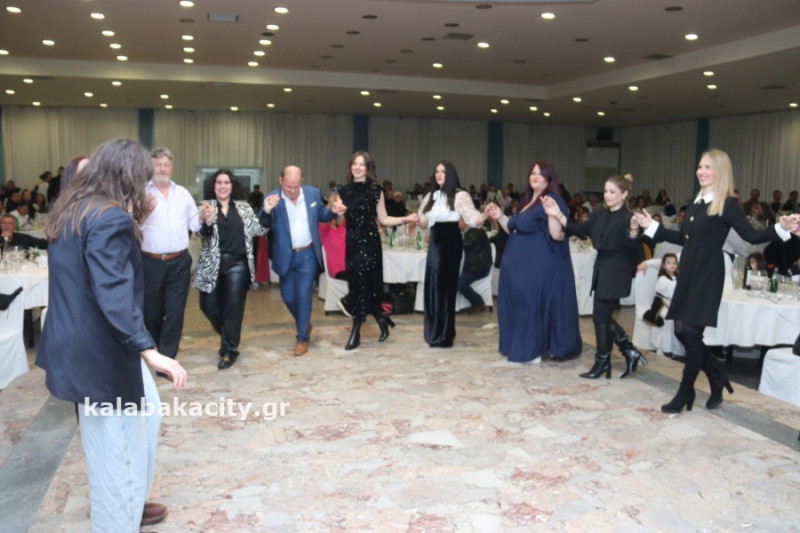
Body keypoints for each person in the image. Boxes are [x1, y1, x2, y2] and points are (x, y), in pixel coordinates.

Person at [36, 137, 187, 531]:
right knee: (118, 455)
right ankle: (120, 518)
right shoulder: (110, 218)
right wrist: (150, 350)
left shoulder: (72, 207)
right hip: (101, 352)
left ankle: (131, 504)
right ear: (128, 175)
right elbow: (114, 293)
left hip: (80, 344)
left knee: (144, 418)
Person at [635, 149, 800, 413]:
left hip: (708, 273)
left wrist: (782, 227)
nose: (701, 171)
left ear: (720, 171)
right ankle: (716, 377)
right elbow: (683, 238)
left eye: (708, 167)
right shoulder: (697, 201)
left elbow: (751, 235)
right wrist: (651, 226)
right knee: (681, 331)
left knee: (691, 332)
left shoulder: (727, 203)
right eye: (700, 166)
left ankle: (685, 392)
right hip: (689, 269)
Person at [544, 173, 647, 378]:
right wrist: (558, 214)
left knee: (600, 316)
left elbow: (634, 248)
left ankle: (605, 361)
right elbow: (579, 228)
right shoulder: (600, 215)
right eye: (606, 191)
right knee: (602, 317)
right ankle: (624, 353)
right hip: (601, 269)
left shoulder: (629, 218)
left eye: (612, 192)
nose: (607, 195)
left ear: (624, 194)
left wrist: (634, 231)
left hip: (616, 271)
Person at [487, 161, 581, 363]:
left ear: (549, 178)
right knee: (518, 305)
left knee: (530, 305)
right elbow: (513, 227)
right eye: (532, 173)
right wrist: (500, 216)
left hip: (537, 265)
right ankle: (521, 344)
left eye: (540, 173)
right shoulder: (526, 201)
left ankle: (533, 349)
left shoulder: (552, 200)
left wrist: (553, 215)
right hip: (518, 266)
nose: (535, 177)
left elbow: (556, 235)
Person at [258, 165, 343, 356]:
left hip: (307, 254)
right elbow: (261, 226)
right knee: (288, 297)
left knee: (304, 295)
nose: (292, 191)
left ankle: (302, 337)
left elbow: (322, 215)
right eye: (288, 187)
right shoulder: (271, 198)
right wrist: (267, 210)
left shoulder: (312, 194)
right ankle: (304, 323)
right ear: (281, 181)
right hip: (285, 255)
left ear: (301, 182)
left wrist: (333, 210)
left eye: (296, 187)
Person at [337, 151, 418, 350]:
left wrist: (405, 219)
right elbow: (339, 222)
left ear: (368, 169)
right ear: (350, 167)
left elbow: (383, 219)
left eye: (361, 164)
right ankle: (381, 319)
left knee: (370, 285)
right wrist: (337, 213)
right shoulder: (343, 191)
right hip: (353, 243)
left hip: (371, 243)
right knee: (356, 285)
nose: (357, 167)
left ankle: (356, 331)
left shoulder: (376, 191)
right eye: (355, 164)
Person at [195, 169, 268, 369]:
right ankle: (229, 335)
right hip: (211, 264)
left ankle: (229, 349)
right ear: (213, 186)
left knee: (232, 309)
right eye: (219, 182)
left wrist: (267, 211)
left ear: (232, 186)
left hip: (238, 265)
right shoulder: (205, 206)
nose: (223, 186)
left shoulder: (244, 207)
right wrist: (207, 222)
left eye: (226, 182)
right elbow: (201, 235)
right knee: (207, 306)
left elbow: (259, 230)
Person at [140, 147, 201, 365]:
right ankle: (158, 347)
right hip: (150, 262)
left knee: (175, 312)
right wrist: (143, 214)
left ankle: (167, 357)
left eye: (166, 164)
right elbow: (130, 227)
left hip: (179, 262)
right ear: (150, 167)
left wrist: (205, 217)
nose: (162, 169)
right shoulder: (140, 193)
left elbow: (195, 223)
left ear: (172, 168)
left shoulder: (183, 193)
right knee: (151, 314)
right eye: (158, 164)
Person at [417, 160, 487, 348]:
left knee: (445, 289)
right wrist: (416, 219)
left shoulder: (460, 195)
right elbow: (424, 222)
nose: (439, 174)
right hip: (435, 243)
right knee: (433, 287)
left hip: (450, 243)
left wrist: (485, 214)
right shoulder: (431, 196)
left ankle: (444, 334)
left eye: (443, 171)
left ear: (451, 175)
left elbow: (474, 220)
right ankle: (434, 332)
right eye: (437, 171)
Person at [458, 220, 492, 314]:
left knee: (460, 284)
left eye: (459, 220)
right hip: (477, 265)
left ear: (465, 221)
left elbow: (465, 244)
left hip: (478, 267)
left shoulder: (475, 232)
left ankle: (478, 302)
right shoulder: (474, 231)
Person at [644, 253, 679, 327]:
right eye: (669, 263)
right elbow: (671, 289)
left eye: (674, 263)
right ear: (663, 265)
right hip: (662, 306)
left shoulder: (677, 276)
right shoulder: (662, 279)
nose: (672, 265)